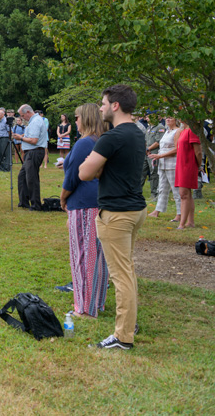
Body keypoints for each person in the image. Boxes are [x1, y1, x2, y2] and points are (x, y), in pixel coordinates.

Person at [79, 84, 146, 350]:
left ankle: (123, 336)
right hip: (135, 209)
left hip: (116, 214)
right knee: (127, 270)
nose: (101, 107)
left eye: (103, 103)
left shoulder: (112, 137)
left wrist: (96, 166)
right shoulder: (137, 133)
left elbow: (84, 172)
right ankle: (129, 322)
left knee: (120, 275)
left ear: (115, 105)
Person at [59, 103, 109, 318]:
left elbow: (73, 177)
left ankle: (85, 309)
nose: (75, 121)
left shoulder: (84, 142)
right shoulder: (100, 141)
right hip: (97, 202)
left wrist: (63, 199)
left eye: (77, 117)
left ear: (85, 118)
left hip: (83, 204)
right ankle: (96, 303)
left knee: (83, 256)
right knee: (97, 256)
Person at [148, 117, 182, 222]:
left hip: (172, 163)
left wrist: (160, 156)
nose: (168, 119)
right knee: (162, 187)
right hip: (163, 163)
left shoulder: (177, 131)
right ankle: (157, 210)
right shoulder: (167, 131)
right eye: (166, 118)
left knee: (176, 189)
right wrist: (157, 156)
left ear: (176, 120)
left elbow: (177, 149)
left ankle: (179, 213)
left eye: (170, 118)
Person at [14, 104, 48, 210]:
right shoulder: (33, 121)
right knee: (22, 176)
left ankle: (35, 205)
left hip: (34, 151)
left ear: (28, 112)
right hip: (31, 152)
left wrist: (20, 138)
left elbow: (34, 140)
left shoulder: (36, 121)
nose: (22, 118)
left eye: (23, 115)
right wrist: (22, 136)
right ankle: (24, 201)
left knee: (31, 178)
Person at [174, 119, 203, 230]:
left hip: (188, 165)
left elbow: (198, 151)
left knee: (184, 193)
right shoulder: (183, 130)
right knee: (186, 194)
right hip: (182, 165)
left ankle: (182, 224)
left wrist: (198, 165)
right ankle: (190, 222)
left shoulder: (192, 130)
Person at [143, 117, 164, 200]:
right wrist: (145, 149)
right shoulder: (149, 127)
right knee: (142, 172)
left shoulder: (160, 127)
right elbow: (145, 140)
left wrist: (149, 149)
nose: (146, 118)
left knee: (154, 173)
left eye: (148, 116)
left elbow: (158, 142)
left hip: (154, 153)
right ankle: (136, 192)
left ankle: (154, 193)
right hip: (146, 153)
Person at [0, 108, 11, 172]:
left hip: (5, 138)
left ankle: (6, 167)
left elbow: (9, 131)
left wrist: (9, 139)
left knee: (5, 153)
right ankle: (1, 167)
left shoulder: (6, 121)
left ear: (3, 114)